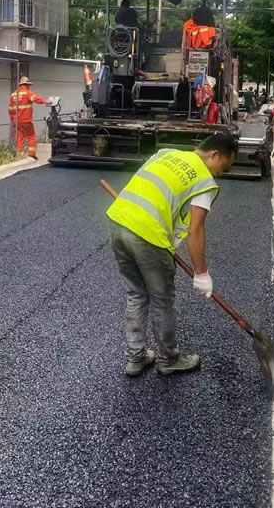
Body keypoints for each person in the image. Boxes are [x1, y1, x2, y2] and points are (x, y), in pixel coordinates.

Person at [106, 133, 238, 377]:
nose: (220, 173)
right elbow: (195, 230)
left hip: (119, 222)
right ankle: (168, 359)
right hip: (148, 235)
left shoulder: (167, 154)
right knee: (161, 300)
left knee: (136, 294)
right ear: (215, 155)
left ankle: (136, 358)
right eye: (224, 166)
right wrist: (201, 273)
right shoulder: (204, 181)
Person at [8, 76, 55, 160]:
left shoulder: (14, 94)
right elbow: (36, 99)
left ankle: (20, 155)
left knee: (19, 137)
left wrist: (13, 120)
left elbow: (10, 109)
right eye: (29, 85)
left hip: (16, 120)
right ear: (26, 85)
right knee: (31, 136)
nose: (29, 87)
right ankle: (31, 154)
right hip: (26, 119)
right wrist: (47, 101)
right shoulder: (27, 92)